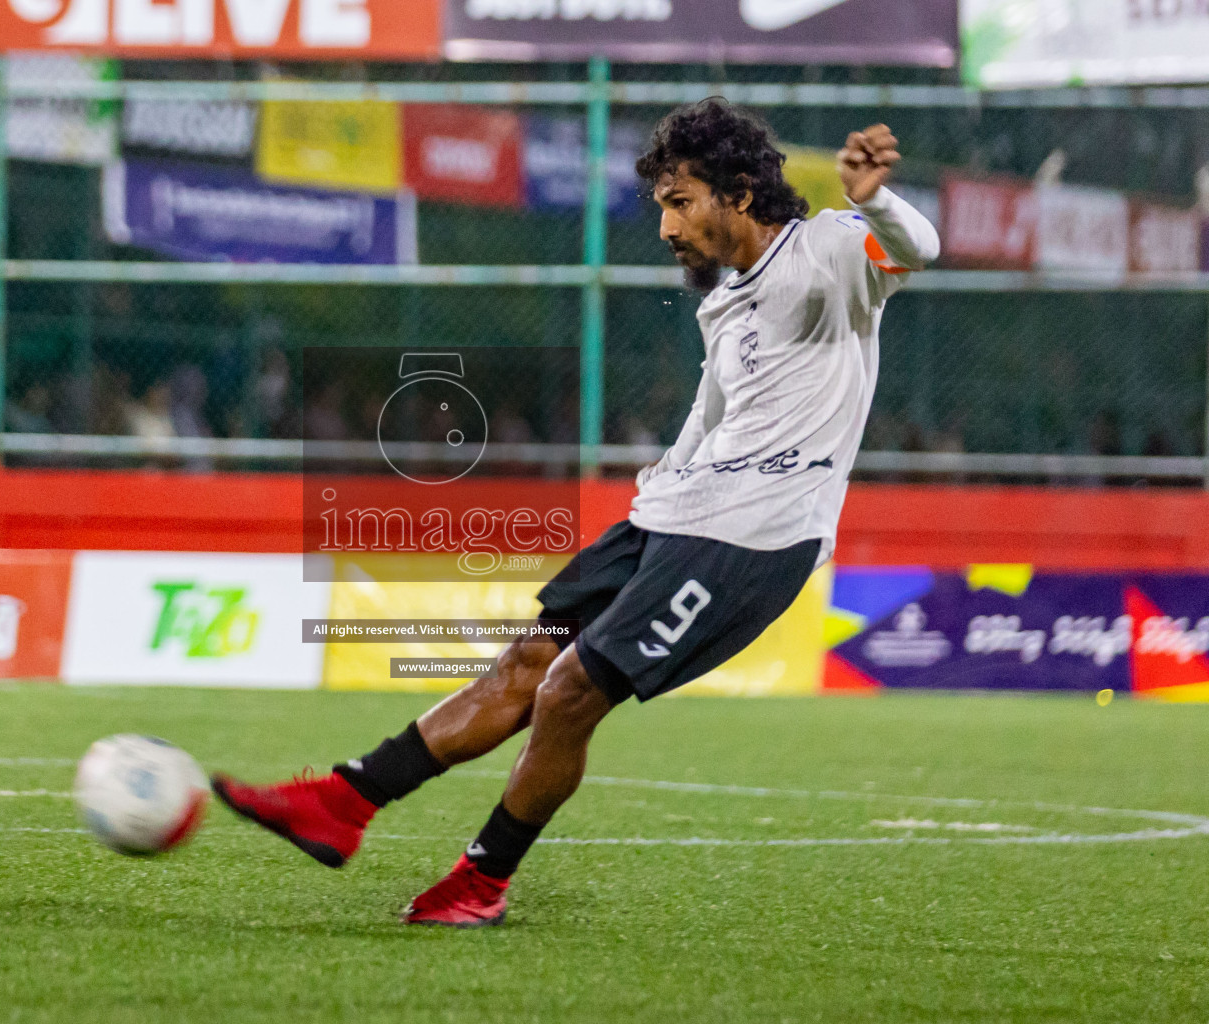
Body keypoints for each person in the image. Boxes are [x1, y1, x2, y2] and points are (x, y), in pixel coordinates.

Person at [212, 101, 941, 927]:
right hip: (676, 516)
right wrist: (664, 481)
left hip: (757, 535)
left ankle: (481, 881)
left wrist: (875, 199)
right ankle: (344, 801)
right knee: (526, 662)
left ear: (738, 193)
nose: (666, 227)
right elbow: (712, 417)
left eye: (680, 201)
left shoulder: (833, 253)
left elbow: (922, 248)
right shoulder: (725, 302)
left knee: (567, 693)